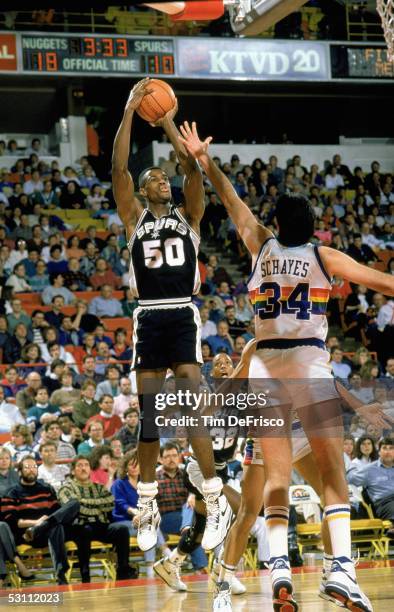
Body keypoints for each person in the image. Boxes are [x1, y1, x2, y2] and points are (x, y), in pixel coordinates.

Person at [178, 121, 394, 612]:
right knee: (332, 473)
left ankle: (279, 572)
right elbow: (382, 282)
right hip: (308, 366)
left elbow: (231, 201)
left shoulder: (261, 246)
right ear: (312, 225)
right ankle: (340, 572)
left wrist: (205, 162)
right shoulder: (323, 255)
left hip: (266, 369)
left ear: (276, 223)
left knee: (276, 479)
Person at [112, 78, 230, 553]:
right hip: (148, 316)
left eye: (165, 178)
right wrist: (128, 113)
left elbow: (190, 166)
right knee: (148, 416)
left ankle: (215, 496)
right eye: (154, 179)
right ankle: (147, 503)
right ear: (143, 191)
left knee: (190, 391)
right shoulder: (134, 218)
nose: (163, 180)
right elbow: (118, 166)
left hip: (181, 313)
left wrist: (163, 121)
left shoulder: (190, 215)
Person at [2, 455, 80, 585]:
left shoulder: (46, 489)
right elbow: (11, 521)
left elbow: (56, 512)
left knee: (73, 504)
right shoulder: (11, 492)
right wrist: (37, 523)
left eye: (34, 467)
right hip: (26, 535)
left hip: (47, 532)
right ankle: (61, 574)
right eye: (27, 467)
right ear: (20, 471)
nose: (31, 470)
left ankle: (60, 575)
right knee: (56, 526)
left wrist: (44, 524)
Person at [58, 455, 137, 583]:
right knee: (85, 530)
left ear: (90, 469)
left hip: (100, 525)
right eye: (80, 465)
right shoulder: (66, 488)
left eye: (86, 465)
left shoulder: (99, 487)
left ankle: (123, 571)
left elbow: (110, 502)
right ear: (73, 471)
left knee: (121, 529)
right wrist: (97, 506)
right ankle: (85, 576)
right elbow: (74, 508)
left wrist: (83, 503)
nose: (83, 468)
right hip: (77, 527)